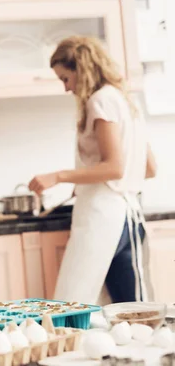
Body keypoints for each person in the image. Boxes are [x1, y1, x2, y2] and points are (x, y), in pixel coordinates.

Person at [28, 36, 158, 304]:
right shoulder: (126, 101)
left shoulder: (100, 101)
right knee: (131, 310)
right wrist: (88, 181)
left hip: (103, 218)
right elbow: (148, 168)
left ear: (82, 69)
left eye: (65, 78)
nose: (66, 88)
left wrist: (58, 176)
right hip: (128, 218)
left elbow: (113, 167)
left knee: (72, 303)